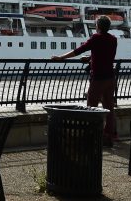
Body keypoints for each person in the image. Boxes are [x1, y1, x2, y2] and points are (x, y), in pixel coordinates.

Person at [51, 15, 119, 146]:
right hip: (110, 78)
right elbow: (106, 55)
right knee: (109, 107)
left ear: (98, 26)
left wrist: (61, 58)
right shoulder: (113, 39)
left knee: (91, 108)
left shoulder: (96, 38)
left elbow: (78, 50)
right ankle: (109, 136)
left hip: (98, 78)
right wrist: (90, 58)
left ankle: (92, 135)